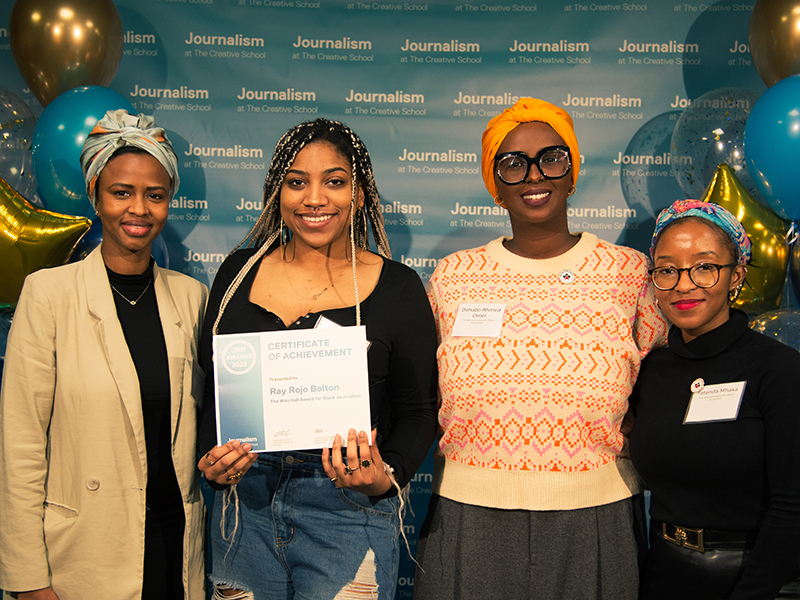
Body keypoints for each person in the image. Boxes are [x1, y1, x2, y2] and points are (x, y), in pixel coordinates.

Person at [413, 97, 668, 599]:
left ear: (572, 172)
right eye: (512, 164)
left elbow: (663, 379)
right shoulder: (454, 277)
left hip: (598, 517)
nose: (534, 175)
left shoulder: (629, 272)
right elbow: (418, 392)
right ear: (495, 186)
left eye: (551, 157)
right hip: (467, 517)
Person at [196, 118, 438, 600]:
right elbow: (212, 389)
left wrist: (383, 477)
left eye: (334, 181)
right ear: (276, 193)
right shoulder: (236, 273)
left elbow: (418, 411)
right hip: (244, 510)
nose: (314, 198)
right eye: (296, 182)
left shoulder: (398, 289)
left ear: (360, 195)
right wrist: (212, 459)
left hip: (348, 512)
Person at [0, 109, 208, 599]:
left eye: (154, 195)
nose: (139, 209)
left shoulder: (191, 297)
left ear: (168, 202)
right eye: (122, 192)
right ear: (95, 195)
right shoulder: (48, 294)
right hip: (86, 554)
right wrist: (28, 579)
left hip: (174, 550)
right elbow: (21, 446)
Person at [629, 199, 800, 600]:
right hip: (664, 576)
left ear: (736, 274)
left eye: (704, 267)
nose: (684, 284)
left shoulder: (777, 369)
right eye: (667, 270)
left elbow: (793, 505)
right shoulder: (650, 371)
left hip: (759, 581)